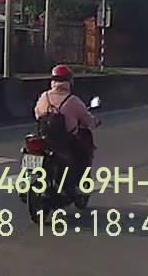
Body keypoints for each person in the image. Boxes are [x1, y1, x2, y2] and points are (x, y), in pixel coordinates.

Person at [33, 65, 99, 201]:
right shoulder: (73, 100)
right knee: (82, 155)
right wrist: (94, 122)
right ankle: (76, 185)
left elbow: (37, 114)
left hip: (44, 138)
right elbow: (87, 119)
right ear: (69, 81)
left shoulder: (44, 97)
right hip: (66, 141)